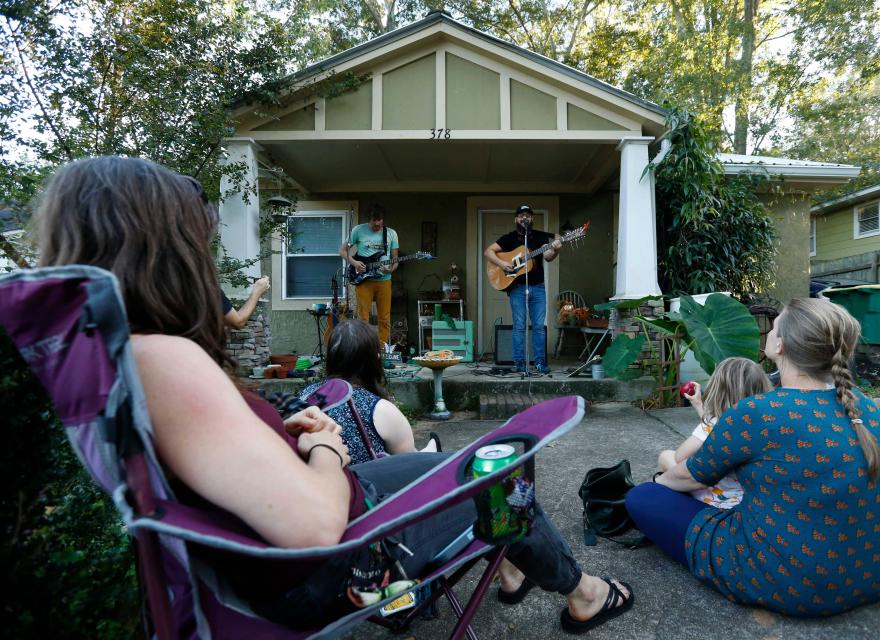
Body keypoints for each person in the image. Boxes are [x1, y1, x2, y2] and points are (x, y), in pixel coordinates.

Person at [35, 156, 634, 634]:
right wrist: (327, 446)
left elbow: (227, 474)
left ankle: (511, 571)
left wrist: (283, 437)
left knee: (443, 465)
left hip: (302, 542)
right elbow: (318, 526)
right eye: (195, 240)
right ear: (162, 249)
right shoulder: (167, 361)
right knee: (498, 477)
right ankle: (583, 594)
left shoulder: (118, 360)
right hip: (338, 560)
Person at [625, 298, 880, 617]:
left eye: (773, 328)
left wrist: (660, 482)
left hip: (796, 585)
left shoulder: (757, 413)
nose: (769, 333)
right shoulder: (863, 406)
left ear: (781, 345)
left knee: (644, 497)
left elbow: (689, 475)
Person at [299, 319, 439, 464]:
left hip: (311, 482)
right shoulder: (381, 409)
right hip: (361, 484)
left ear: (331, 359)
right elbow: (409, 466)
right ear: (375, 359)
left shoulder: (305, 397)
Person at [657, 357, 772, 510]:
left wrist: (706, 422)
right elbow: (715, 431)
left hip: (716, 499)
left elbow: (680, 457)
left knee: (666, 456)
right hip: (747, 499)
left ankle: (661, 501)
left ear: (718, 390)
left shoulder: (713, 424)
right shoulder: (765, 424)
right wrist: (699, 405)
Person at [483, 204, 561, 374]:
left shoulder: (540, 237)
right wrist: (503, 263)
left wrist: (555, 249)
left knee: (539, 326)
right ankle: (520, 363)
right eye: (520, 216)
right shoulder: (509, 238)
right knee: (519, 326)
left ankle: (540, 363)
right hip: (517, 287)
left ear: (532, 218)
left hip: (538, 288)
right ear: (516, 219)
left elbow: (547, 257)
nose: (524, 218)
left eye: (527, 215)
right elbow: (488, 252)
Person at [340, 204, 398, 347]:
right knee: (363, 317)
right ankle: (364, 347)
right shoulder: (358, 230)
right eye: (374, 223)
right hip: (364, 280)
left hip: (384, 281)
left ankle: (382, 349)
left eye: (380, 223)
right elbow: (342, 251)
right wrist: (355, 263)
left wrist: (391, 269)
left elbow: (395, 260)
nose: (377, 226)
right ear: (369, 220)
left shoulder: (391, 233)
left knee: (384, 317)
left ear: (383, 220)